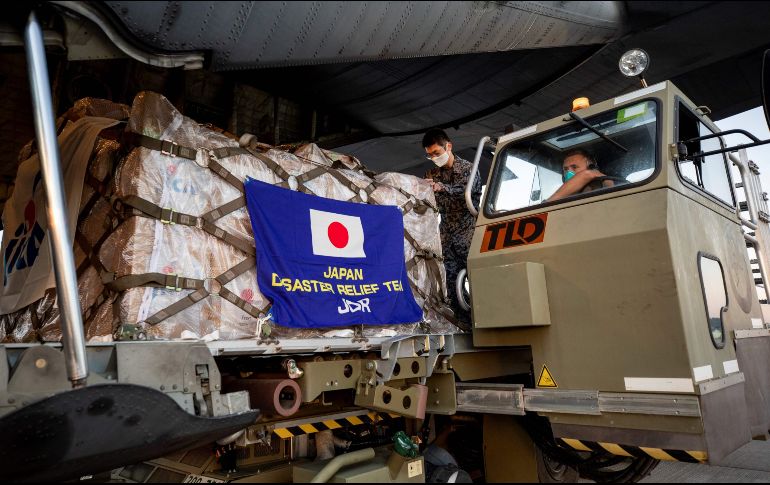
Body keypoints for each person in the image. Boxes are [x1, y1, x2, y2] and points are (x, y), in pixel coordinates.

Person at [423, 128, 482, 324]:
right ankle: (464, 324)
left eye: (436, 153)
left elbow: (464, 191)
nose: (433, 158)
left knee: (479, 280)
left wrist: (441, 187)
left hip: (470, 233)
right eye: (429, 155)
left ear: (448, 146)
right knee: (450, 283)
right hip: (446, 234)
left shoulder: (468, 168)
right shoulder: (432, 173)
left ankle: (484, 318)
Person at [546, 148, 614, 202]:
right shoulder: (565, 196)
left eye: (574, 167)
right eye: (565, 169)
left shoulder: (599, 185)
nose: (568, 172)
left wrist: (587, 174)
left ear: (591, 168)